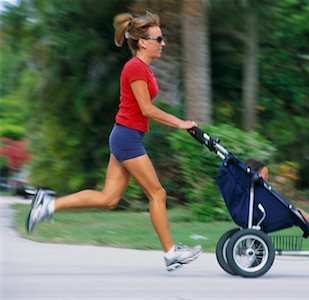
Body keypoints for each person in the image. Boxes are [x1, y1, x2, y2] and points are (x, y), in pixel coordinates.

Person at [26, 11, 202, 271]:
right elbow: (147, 109)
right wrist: (180, 123)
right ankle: (171, 253)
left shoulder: (143, 69)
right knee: (157, 193)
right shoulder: (134, 68)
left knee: (109, 198)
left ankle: (48, 205)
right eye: (159, 38)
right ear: (143, 42)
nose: (163, 43)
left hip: (126, 136)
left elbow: (144, 108)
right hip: (127, 137)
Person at [244, 158, 309, 237]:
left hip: (261, 216)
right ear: (256, 175)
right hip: (266, 218)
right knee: (297, 212)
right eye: (266, 175)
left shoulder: (250, 189)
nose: (267, 178)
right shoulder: (259, 189)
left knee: (296, 212)